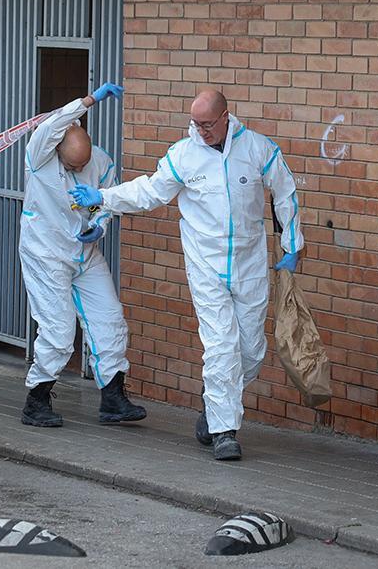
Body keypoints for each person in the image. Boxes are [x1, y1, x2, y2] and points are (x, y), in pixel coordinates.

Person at [70, 89, 303, 460]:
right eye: (196, 123)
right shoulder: (184, 155)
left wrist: (292, 246)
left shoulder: (257, 149)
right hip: (206, 266)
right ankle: (225, 431)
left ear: (227, 117)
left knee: (251, 351)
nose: (201, 130)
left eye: (208, 124)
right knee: (222, 346)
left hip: (250, 265)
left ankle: (214, 406)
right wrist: (102, 197)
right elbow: (149, 191)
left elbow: (286, 191)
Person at [19, 82, 147, 428]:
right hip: (46, 252)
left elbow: (109, 200)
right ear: (59, 149)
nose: (79, 170)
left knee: (110, 319)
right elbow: (53, 123)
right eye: (72, 165)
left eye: (83, 164)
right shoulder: (40, 154)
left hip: (85, 251)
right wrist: (89, 101)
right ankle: (37, 398)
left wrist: (101, 226)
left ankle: (113, 398)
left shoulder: (100, 161)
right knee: (59, 331)